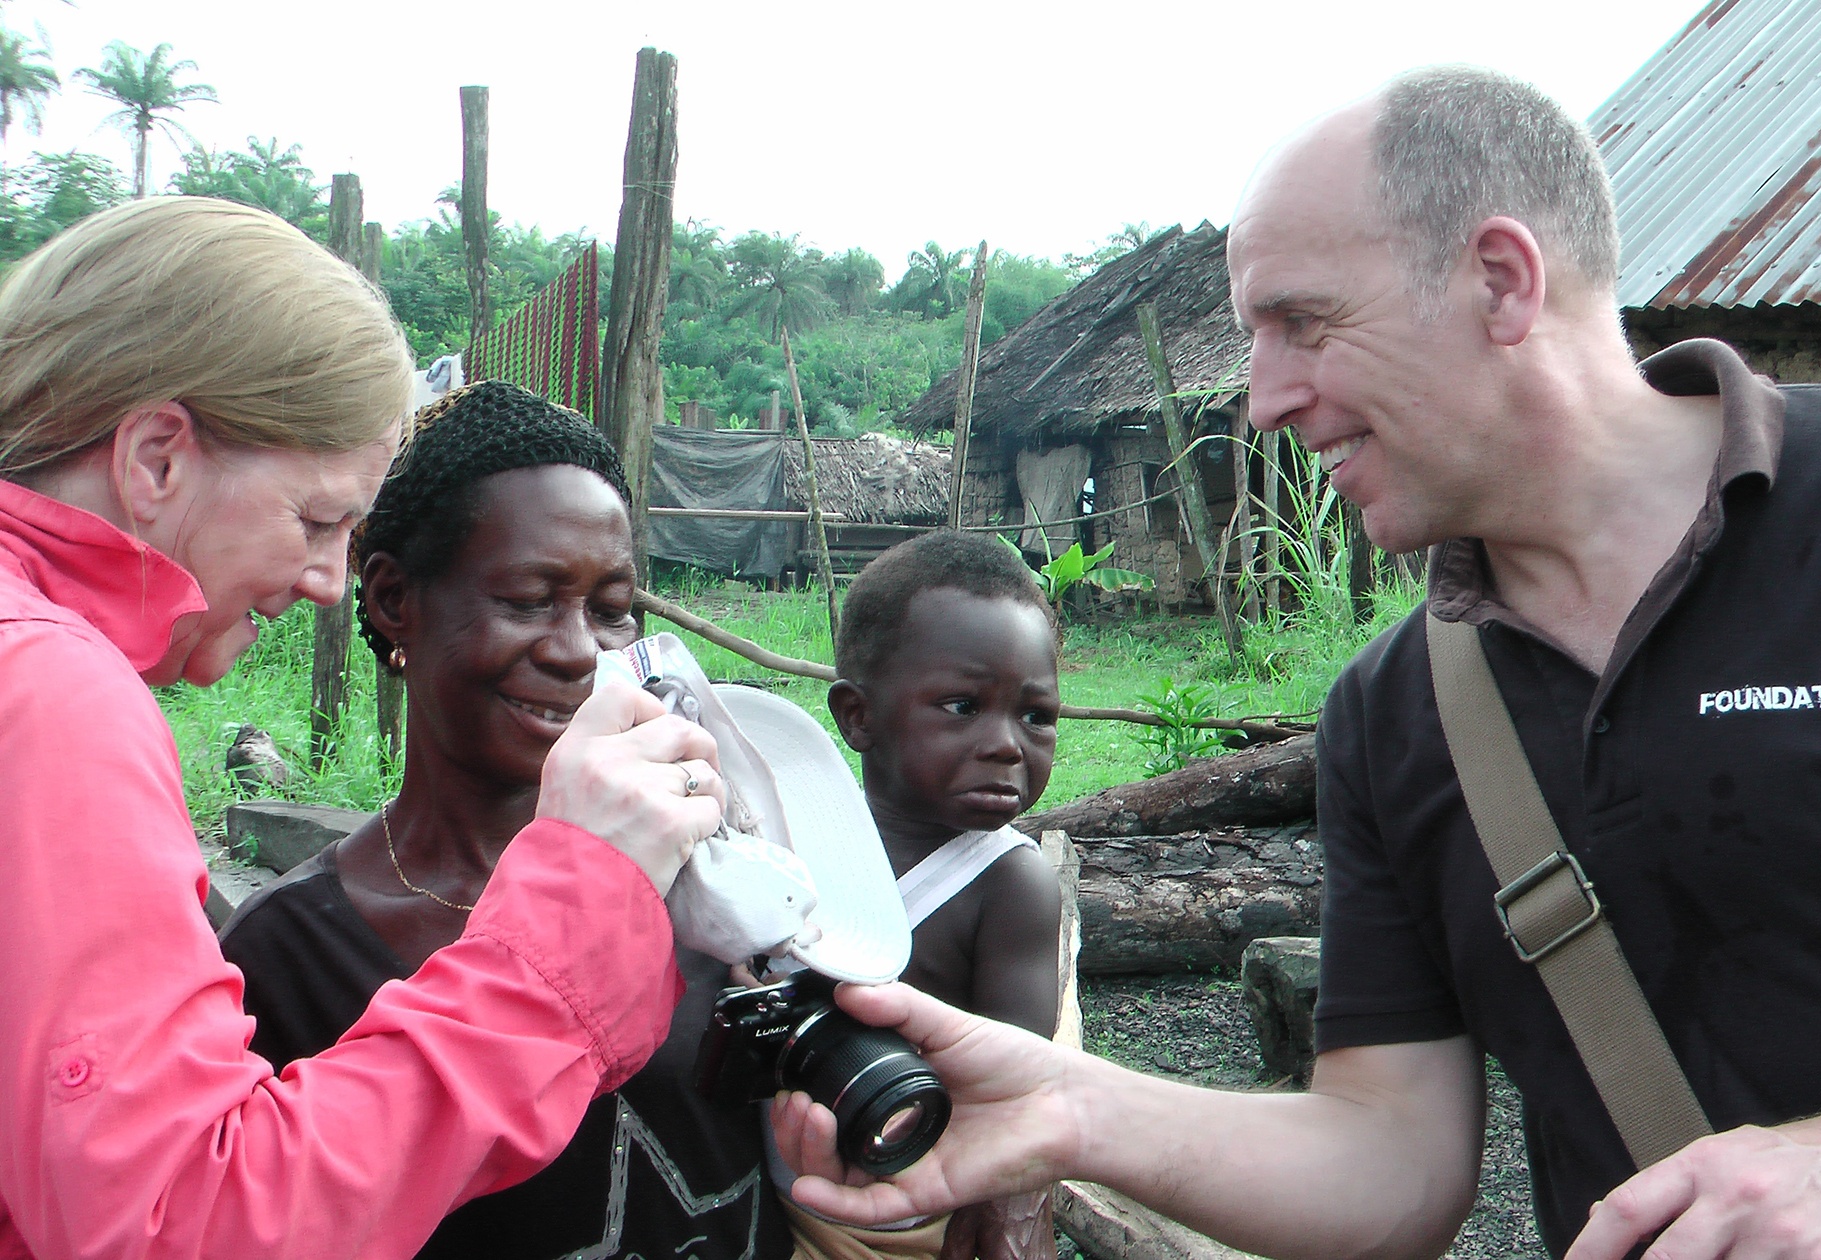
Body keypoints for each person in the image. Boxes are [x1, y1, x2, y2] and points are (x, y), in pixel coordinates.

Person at [773, 65, 1821, 1260]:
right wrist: (1068, 1106)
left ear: (1501, 282)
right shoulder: (1397, 710)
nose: (1262, 400)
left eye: (1303, 323)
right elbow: (1391, 1165)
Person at [0, 198, 721, 1258]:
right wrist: (576, 913)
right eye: (315, 519)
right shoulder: (50, 691)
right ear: (155, 457)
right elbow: (171, 1223)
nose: (323, 580)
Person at [219, 380, 796, 1260]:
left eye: (609, 612)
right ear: (391, 600)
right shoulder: (287, 957)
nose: (576, 651)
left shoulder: (710, 893)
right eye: (529, 600)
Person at [821, 531, 1064, 1260]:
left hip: (914, 1216)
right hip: (766, 1189)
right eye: (962, 706)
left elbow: (1013, 1095)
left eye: (1036, 715)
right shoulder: (802, 838)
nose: (1006, 745)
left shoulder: (1008, 886)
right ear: (857, 716)